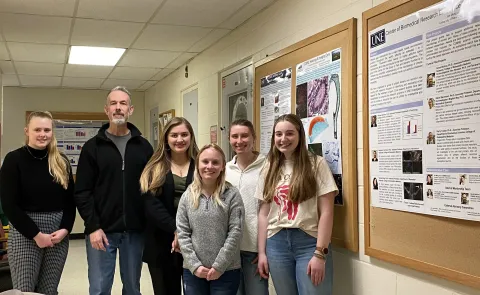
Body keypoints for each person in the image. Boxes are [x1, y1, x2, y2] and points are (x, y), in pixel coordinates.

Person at [74, 86, 153, 295]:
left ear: (131, 110)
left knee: (133, 289)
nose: (118, 108)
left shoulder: (144, 147)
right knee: (100, 289)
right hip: (102, 231)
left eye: (123, 103)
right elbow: (82, 191)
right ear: (106, 110)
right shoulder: (92, 148)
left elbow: (151, 189)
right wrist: (92, 226)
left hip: (134, 232)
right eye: (113, 103)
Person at [256, 114, 338, 295]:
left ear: (300, 135)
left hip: (309, 242)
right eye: (278, 134)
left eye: (289, 133)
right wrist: (262, 252)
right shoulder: (269, 166)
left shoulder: (316, 164)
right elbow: (263, 213)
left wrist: (320, 253)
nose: (283, 139)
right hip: (276, 242)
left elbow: (327, 212)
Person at [0, 111, 75, 294]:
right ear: (27, 131)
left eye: (47, 130)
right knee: (24, 290)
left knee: (49, 289)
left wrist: (65, 229)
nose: (43, 134)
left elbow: (70, 202)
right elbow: (9, 205)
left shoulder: (61, 161)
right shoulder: (14, 160)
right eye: (37, 129)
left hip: (57, 235)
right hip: (26, 233)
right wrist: (36, 235)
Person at [140, 117, 198, 295]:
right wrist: (176, 229)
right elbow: (150, 204)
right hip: (161, 242)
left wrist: (184, 231)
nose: (179, 139)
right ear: (166, 138)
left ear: (191, 137)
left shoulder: (201, 165)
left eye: (184, 134)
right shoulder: (154, 167)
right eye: (174, 135)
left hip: (196, 240)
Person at [176, 144, 245, 295]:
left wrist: (219, 266)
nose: (209, 166)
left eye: (215, 162)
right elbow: (182, 233)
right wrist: (195, 266)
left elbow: (235, 232)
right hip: (193, 271)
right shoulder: (188, 196)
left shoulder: (232, 195)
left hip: (226, 270)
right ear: (198, 165)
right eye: (205, 161)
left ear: (222, 167)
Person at [225, 119, 269, 295]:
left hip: (255, 249)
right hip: (230, 249)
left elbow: (269, 211)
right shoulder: (225, 169)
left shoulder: (268, 166)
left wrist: (263, 249)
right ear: (229, 139)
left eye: (244, 136)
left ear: (254, 138)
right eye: (234, 136)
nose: (239, 140)